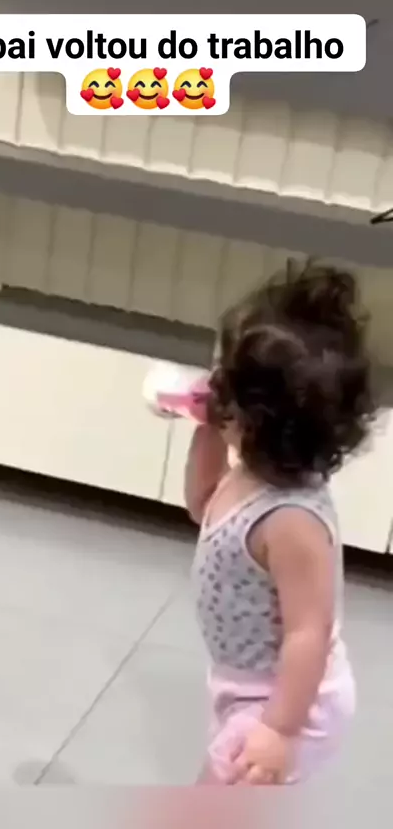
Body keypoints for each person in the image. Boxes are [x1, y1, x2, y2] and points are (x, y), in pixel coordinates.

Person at [184, 261, 377, 785]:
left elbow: (308, 633)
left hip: (287, 701)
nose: (214, 389)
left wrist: (278, 730)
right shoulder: (250, 471)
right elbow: (202, 505)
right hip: (246, 685)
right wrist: (206, 433)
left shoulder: (291, 521)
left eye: (227, 390)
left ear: (258, 422)